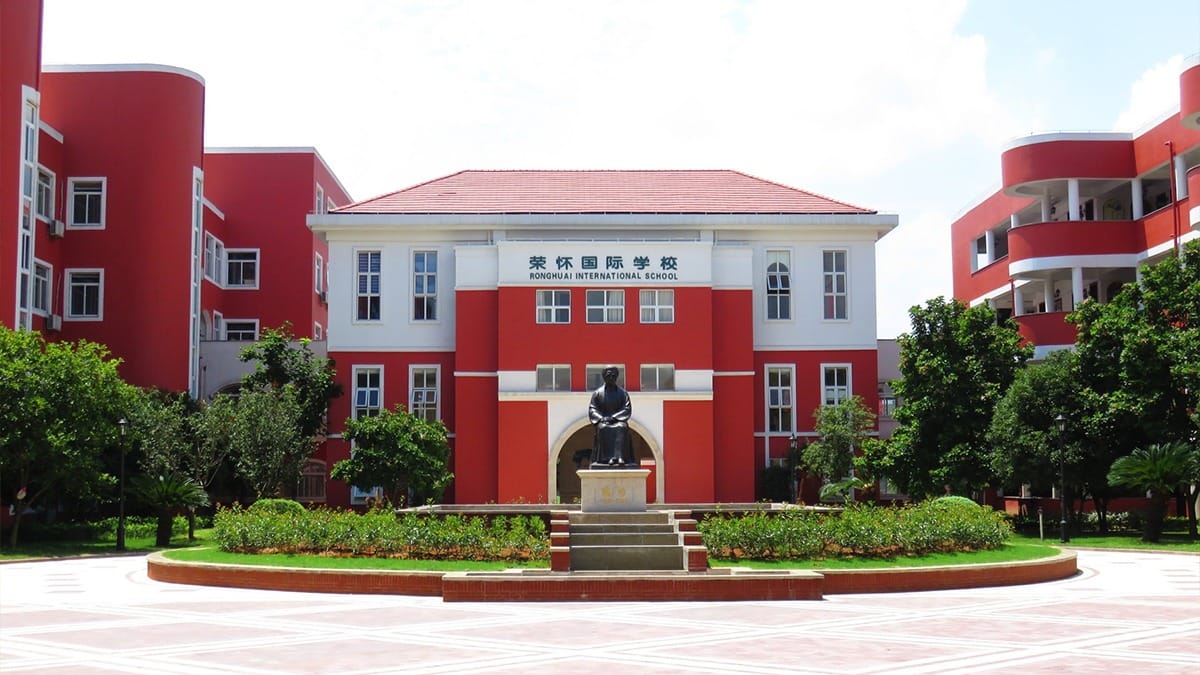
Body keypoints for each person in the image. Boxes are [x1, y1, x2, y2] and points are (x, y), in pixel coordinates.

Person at [588, 366, 634, 468]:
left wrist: (614, 417)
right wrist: (602, 418)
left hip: (618, 420)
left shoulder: (623, 393)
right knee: (603, 428)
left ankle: (620, 457)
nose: (611, 378)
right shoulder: (597, 393)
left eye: (613, 375)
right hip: (604, 421)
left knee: (622, 427)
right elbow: (593, 409)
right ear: (604, 377)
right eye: (608, 375)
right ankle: (606, 458)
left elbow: (627, 409)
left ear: (616, 377)